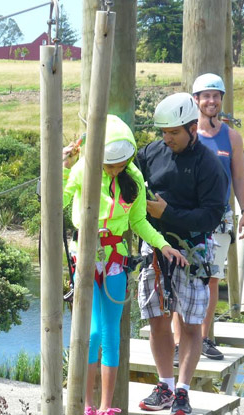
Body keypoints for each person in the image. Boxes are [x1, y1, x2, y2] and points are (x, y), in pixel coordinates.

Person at [62, 115, 187, 415]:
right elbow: (60, 201)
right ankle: (86, 404)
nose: (115, 170)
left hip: (116, 257)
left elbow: (139, 221)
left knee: (110, 332)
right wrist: (62, 166)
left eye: (119, 165)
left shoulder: (132, 177)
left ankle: (107, 406)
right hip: (85, 256)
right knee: (90, 333)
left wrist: (163, 245)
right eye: (109, 165)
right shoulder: (83, 170)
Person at [135, 93, 227, 415]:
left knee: (190, 324)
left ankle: (183, 390)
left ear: (192, 128)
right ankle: (165, 385)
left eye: (173, 132)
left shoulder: (209, 166)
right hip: (156, 246)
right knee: (157, 319)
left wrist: (167, 214)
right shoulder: (151, 154)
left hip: (194, 247)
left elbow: (210, 217)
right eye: (163, 132)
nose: (167, 138)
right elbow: (124, 174)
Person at [171, 73, 244, 362]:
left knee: (212, 279)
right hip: (187, 217)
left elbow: (239, 177)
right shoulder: (188, 135)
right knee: (181, 278)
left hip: (219, 217)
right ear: (196, 99)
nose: (211, 101)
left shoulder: (231, 136)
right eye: (206, 96)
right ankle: (180, 343)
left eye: (216, 96)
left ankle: (204, 338)